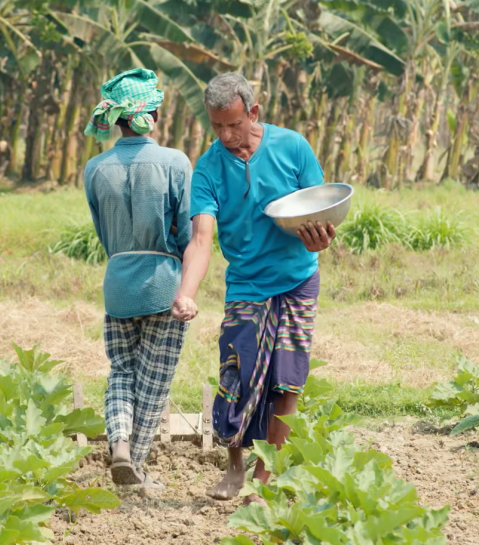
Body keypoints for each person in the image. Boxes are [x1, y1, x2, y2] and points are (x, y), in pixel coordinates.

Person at [171, 72, 336, 503]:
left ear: (254, 112)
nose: (226, 135)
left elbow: (321, 209)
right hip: (246, 285)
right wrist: (186, 293)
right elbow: (202, 238)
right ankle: (234, 465)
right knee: (237, 377)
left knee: (287, 382)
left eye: (234, 125)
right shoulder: (207, 168)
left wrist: (323, 235)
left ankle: (264, 475)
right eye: (217, 126)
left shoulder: (292, 147)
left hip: (298, 279)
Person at [83, 68, 193, 490]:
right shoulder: (174, 162)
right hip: (163, 283)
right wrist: (187, 286)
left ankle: (121, 445)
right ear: (153, 114)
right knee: (154, 379)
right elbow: (186, 234)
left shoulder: (95, 168)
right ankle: (138, 470)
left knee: (121, 373)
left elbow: (102, 232)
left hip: (118, 284)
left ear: (118, 117)